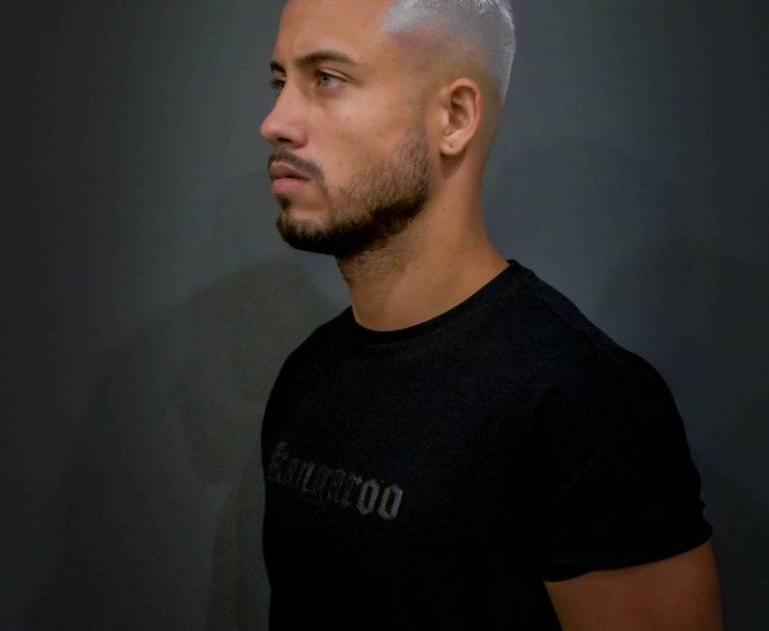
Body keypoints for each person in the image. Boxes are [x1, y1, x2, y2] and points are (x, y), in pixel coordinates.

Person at [256, 0, 723, 628]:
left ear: (454, 117)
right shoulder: (307, 375)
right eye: (280, 82)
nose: (275, 122)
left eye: (328, 79)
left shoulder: (584, 403)